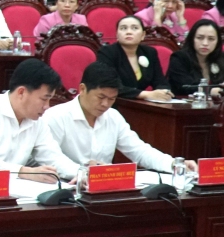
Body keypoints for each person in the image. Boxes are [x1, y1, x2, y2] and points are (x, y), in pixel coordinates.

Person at [43, 62, 197, 174]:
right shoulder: (56, 117)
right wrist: (83, 172)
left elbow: (139, 151)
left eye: (112, 99)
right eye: (101, 97)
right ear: (82, 89)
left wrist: (173, 163)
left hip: (105, 188)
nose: (105, 104)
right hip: (68, 189)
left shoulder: (113, 117)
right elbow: (50, 158)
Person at [95, 15, 171, 101]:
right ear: (117, 35)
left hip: (141, 104)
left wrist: (164, 92)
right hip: (114, 102)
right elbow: (109, 85)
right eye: (123, 28)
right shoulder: (107, 52)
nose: (129, 32)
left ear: (143, 35)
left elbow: (160, 81)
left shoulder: (149, 52)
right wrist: (145, 94)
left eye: (135, 28)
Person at [168, 20, 224, 97]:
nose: (205, 43)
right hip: (184, 103)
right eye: (200, 38)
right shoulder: (180, 58)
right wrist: (210, 91)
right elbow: (184, 87)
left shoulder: (221, 58)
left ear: (218, 42)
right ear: (192, 39)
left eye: (211, 39)